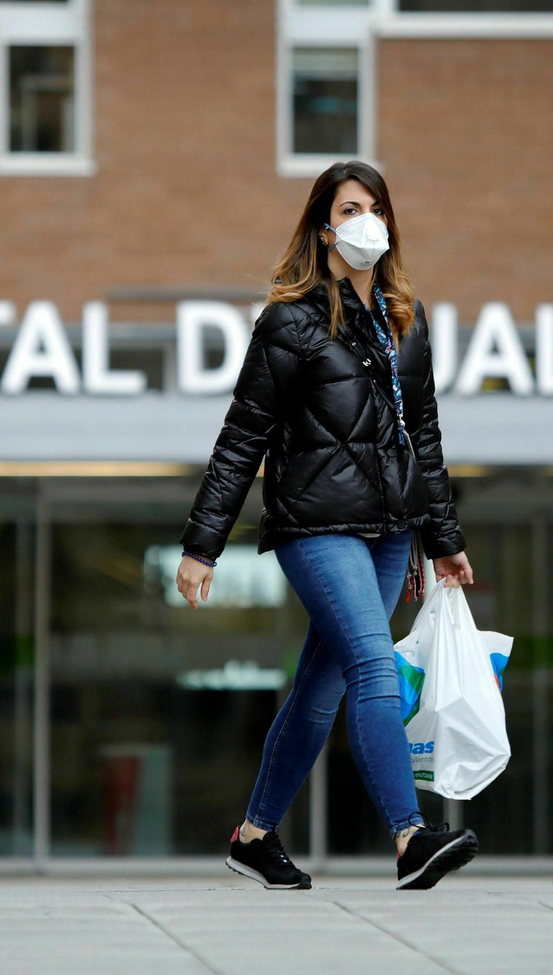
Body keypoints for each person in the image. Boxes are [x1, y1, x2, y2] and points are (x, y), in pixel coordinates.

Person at [175, 161, 479, 891]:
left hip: (390, 531)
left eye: (376, 207)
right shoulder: (291, 320)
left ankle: (253, 837)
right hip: (316, 529)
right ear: (325, 226)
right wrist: (201, 544)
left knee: (321, 684)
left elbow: (425, 438)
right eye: (350, 207)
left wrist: (444, 539)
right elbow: (242, 436)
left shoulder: (407, 318)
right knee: (373, 666)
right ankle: (410, 839)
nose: (366, 219)